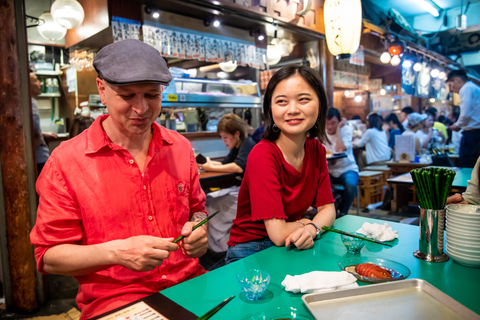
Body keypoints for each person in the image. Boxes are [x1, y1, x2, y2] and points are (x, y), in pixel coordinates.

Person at [30, 39, 209, 319]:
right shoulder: (66, 162)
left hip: (191, 285)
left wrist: (199, 230)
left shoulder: (180, 147)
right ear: (102, 90)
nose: (141, 109)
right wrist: (115, 253)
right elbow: (49, 256)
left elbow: (198, 210)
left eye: (152, 95)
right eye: (127, 96)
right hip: (117, 301)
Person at [225, 65, 336, 263]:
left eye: (303, 99)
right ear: (270, 109)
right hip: (251, 249)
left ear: (320, 105)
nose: (292, 110)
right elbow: (277, 233)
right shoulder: (263, 154)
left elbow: (328, 210)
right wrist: (309, 223)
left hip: (294, 241)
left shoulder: (316, 150)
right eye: (282, 102)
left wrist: (310, 227)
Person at [198, 113, 256, 271]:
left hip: (250, 195)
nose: (224, 142)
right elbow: (226, 164)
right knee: (208, 199)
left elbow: (239, 167)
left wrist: (211, 167)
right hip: (239, 190)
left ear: (236, 134)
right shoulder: (238, 146)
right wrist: (210, 164)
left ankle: (219, 249)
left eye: (225, 138)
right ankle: (216, 249)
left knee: (209, 203)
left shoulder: (247, 144)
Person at [325, 108, 359, 218]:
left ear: (339, 122)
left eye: (333, 123)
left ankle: (343, 213)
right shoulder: (323, 132)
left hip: (347, 168)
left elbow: (341, 149)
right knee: (318, 186)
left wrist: (339, 129)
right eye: (327, 123)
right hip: (329, 170)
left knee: (350, 185)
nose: (330, 127)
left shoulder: (346, 130)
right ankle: (331, 212)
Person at [446, 70, 480, 168]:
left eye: (450, 85)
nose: (452, 89)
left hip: (473, 135)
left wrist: (457, 125)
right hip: (475, 134)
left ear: (457, 80)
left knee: (467, 165)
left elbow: (466, 112)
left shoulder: (467, 88)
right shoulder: (473, 87)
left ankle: (468, 184)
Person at [30, 71, 58, 175]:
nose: (40, 83)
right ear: (27, 84)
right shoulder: (30, 103)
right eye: (36, 80)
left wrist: (43, 134)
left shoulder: (31, 102)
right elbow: (33, 131)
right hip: (38, 158)